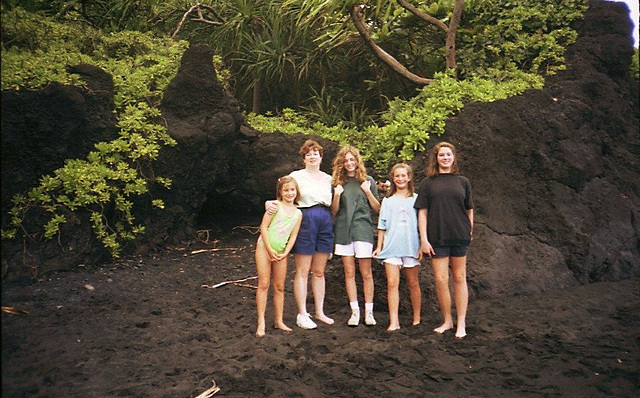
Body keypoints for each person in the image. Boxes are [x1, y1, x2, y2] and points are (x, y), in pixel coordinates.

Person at [267, 139, 335, 330]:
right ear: (303, 158)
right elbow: (284, 193)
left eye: (315, 153)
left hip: (325, 219)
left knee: (319, 271)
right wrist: (270, 203)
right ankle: (302, 313)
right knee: (303, 270)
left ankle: (319, 311)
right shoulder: (296, 176)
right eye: (308, 154)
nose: (312, 156)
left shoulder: (329, 178)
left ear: (321, 157)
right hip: (305, 218)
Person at [415, 141, 473, 339]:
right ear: (436, 158)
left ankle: (461, 323)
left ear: (453, 157)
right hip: (436, 238)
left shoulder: (463, 182)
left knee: (459, 278)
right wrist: (424, 239)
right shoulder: (427, 183)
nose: (445, 158)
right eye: (441, 155)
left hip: (459, 236)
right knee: (440, 280)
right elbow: (422, 213)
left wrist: (470, 230)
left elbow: (469, 209)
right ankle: (447, 320)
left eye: (448, 154)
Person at [330, 145, 380, 327]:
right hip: (343, 231)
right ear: (341, 163)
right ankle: (355, 312)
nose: (349, 163)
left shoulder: (368, 181)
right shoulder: (337, 183)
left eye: (352, 160)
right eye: (346, 161)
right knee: (349, 273)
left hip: (363, 230)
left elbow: (378, 209)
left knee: (366, 273)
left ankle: (369, 312)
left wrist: (367, 191)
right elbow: (334, 211)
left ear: (357, 161)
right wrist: (336, 195)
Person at [373, 163, 422, 332]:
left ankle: (417, 318)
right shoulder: (387, 200)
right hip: (391, 247)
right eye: (397, 176)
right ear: (393, 179)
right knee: (392, 283)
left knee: (413, 282)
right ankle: (394, 321)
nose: (400, 179)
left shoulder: (417, 199)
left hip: (411, 246)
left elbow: (422, 224)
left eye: (403, 175)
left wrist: (423, 244)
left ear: (409, 178)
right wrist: (379, 247)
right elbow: (382, 226)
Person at [255, 176, 303, 337]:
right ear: (280, 192)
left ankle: (279, 320)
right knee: (263, 284)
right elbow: (263, 227)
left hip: (281, 251)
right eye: (286, 190)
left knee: (280, 286)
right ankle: (261, 322)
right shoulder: (275, 206)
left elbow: (294, 235)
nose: (290, 193)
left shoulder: (298, 213)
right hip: (265, 247)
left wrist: (286, 252)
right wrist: (269, 249)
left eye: (292, 190)